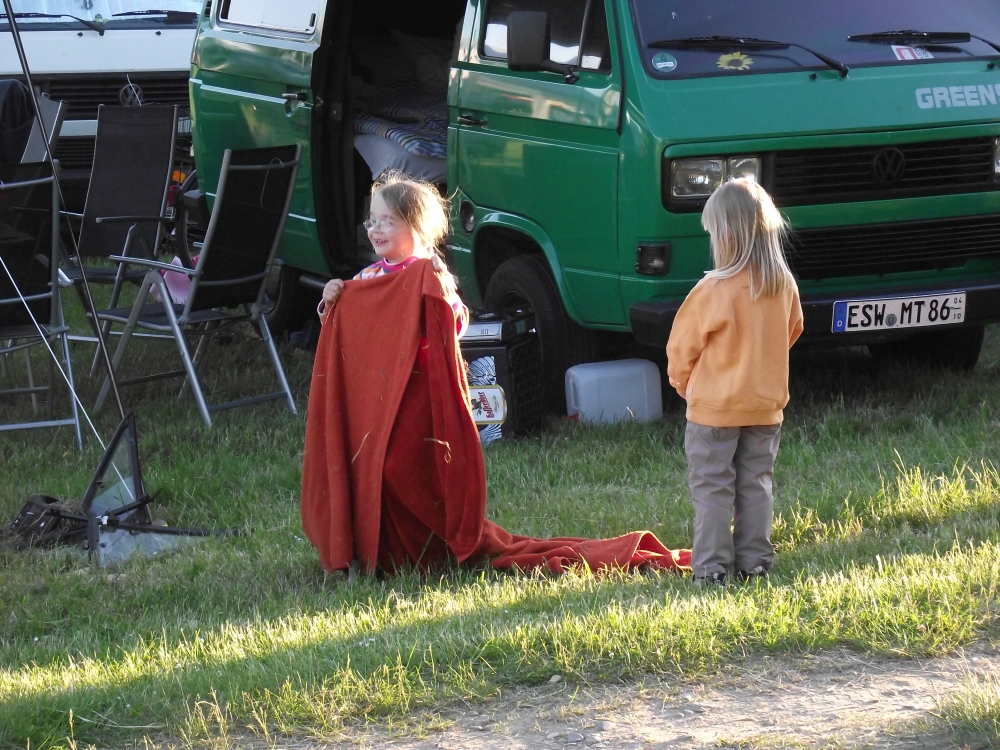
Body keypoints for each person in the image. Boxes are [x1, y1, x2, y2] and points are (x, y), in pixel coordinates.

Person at [666, 178, 803, 586]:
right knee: (756, 484)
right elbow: (793, 330)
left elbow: (681, 349)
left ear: (726, 234)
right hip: (765, 408)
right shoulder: (783, 286)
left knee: (712, 488)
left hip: (713, 411)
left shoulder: (712, 290)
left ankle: (711, 569)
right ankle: (755, 562)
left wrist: (684, 385)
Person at [318, 172, 466, 334]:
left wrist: (444, 289)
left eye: (388, 223)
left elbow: (454, 328)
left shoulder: (429, 276)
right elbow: (345, 326)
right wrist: (331, 301)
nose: (375, 229)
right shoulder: (368, 277)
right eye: (372, 221)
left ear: (418, 229)